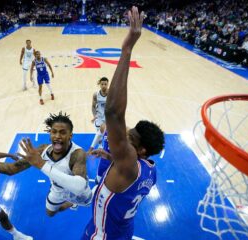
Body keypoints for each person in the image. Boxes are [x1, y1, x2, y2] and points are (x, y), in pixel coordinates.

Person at [82, 7, 165, 239]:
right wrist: (111, 157)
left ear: (140, 150)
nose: (125, 135)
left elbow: (113, 113)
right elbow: (128, 177)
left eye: (131, 138)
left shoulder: (129, 163)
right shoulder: (150, 169)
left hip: (103, 234)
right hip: (124, 229)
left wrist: (126, 49)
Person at [0, 112, 93, 217]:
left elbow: (79, 187)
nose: (57, 136)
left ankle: (72, 203)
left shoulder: (77, 153)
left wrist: (41, 164)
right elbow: (10, 169)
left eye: (62, 132)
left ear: (70, 135)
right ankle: (68, 204)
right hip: (58, 191)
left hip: (80, 195)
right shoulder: (42, 151)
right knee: (50, 213)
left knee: (86, 202)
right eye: (54, 132)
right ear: (50, 134)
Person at [89, 77, 109, 153]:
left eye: (105, 84)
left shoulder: (111, 94)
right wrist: (94, 115)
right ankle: (100, 146)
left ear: (108, 84)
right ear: (100, 85)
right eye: (102, 84)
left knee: (108, 133)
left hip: (108, 116)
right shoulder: (96, 94)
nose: (104, 86)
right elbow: (93, 106)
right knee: (99, 132)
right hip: (99, 116)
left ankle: (108, 147)